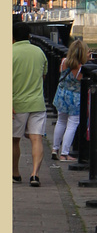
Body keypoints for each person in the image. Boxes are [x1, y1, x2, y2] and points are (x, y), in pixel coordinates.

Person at [50, 40, 97, 162]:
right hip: (75, 99)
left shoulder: (64, 62)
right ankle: (64, 154)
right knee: (72, 124)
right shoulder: (81, 69)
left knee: (61, 121)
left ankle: (55, 149)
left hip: (61, 96)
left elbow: (64, 72)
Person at [12, 21, 48, 186]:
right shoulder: (39, 52)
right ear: (29, 36)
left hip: (16, 103)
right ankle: (35, 174)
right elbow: (43, 76)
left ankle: (15, 173)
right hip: (37, 102)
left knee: (14, 140)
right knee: (36, 139)